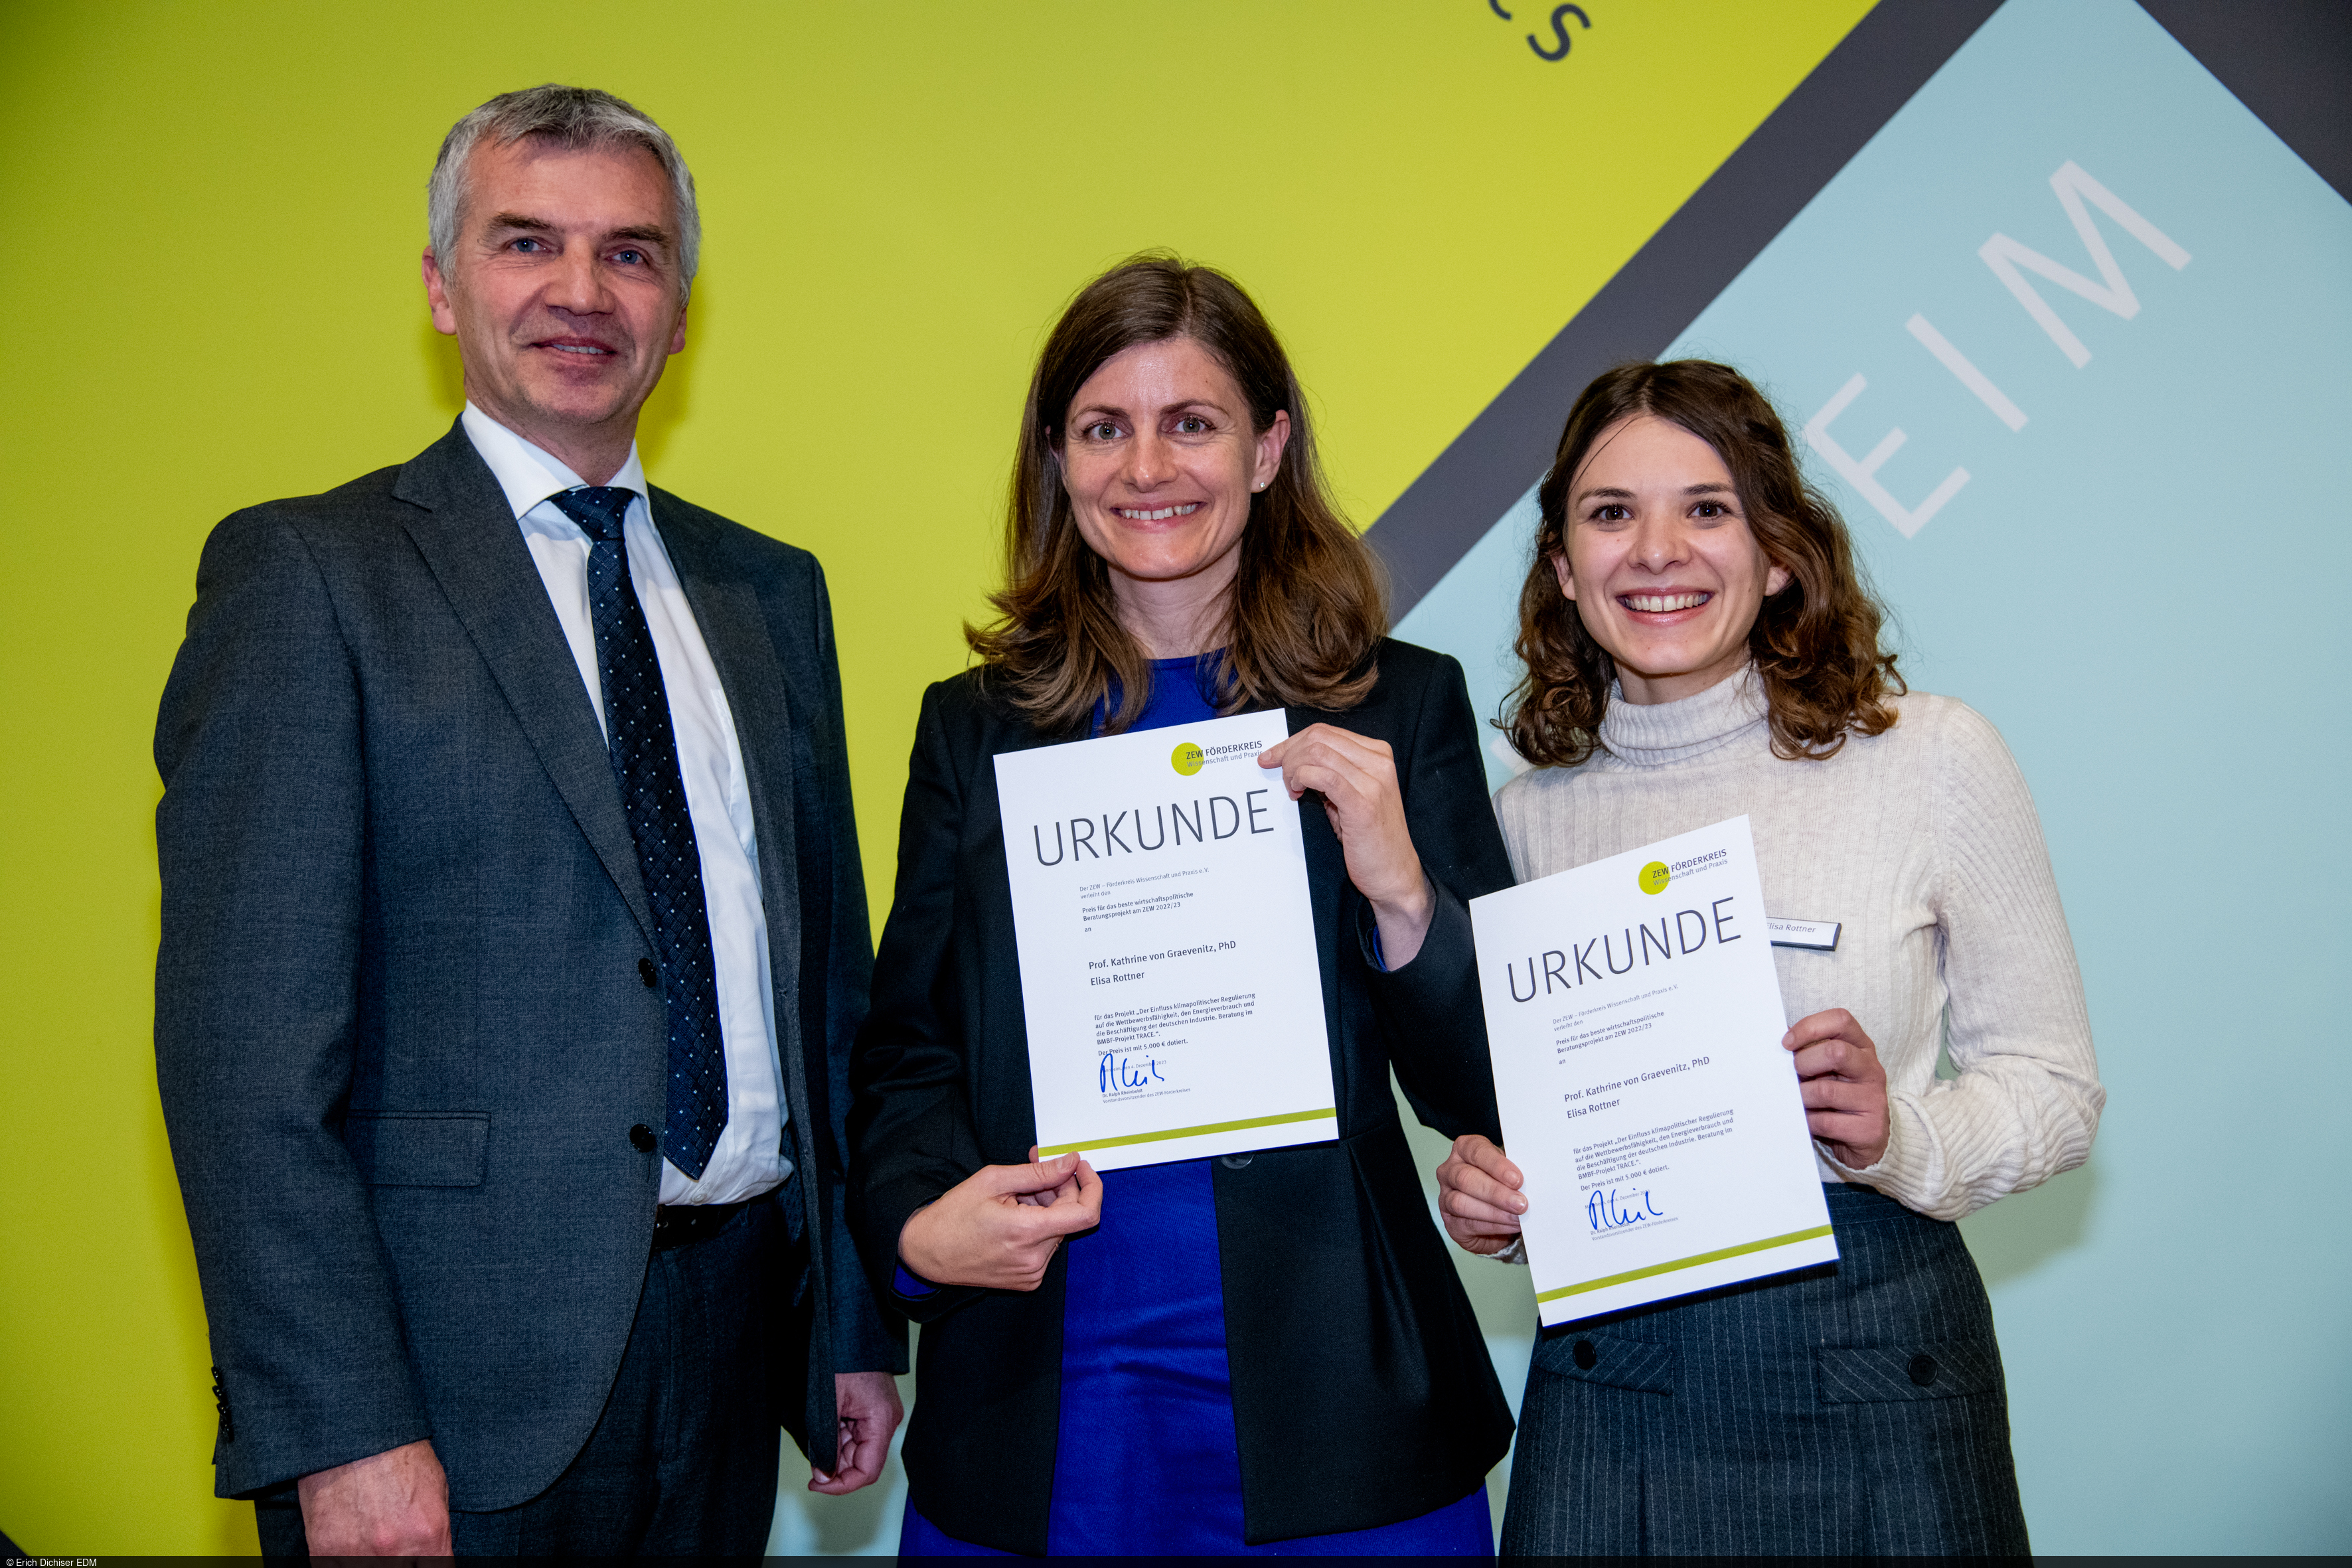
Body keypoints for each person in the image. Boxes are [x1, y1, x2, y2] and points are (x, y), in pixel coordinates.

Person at [153, 85, 903, 1555]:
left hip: (737, 1341)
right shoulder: (311, 577)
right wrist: (341, 1425)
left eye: (629, 252)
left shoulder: (768, 594)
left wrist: (846, 1322)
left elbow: (823, 995)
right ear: (443, 287)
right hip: (440, 1390)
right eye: (524, 243)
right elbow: (242, 1068)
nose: (580, 291)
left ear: (680, 306)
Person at [846, 255, 1515, 1555]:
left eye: (1190, 422)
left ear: (1266, 448)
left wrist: (1399, 882)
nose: (1146, 465)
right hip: (1041, 1394)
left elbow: (1484, 1076)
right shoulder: (971, 728)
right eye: (1104, 427)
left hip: (1341, 1402)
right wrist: (919, 1225)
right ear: (1057, 456)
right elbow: (908, 1046)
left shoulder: (1399, 706)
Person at [1433, 359, 2104, 1556]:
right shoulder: (1523, 819)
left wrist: (1900, 1132)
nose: (1656, 550)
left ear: (1781, 551)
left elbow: (2056, 1091)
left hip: (1881, 1365)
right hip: (1614, 1387)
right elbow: (1569, 1133)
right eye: (1609, 513)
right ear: (1560, 568)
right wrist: (1504, 1199)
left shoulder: (1933, 758)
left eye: (1707, 508)